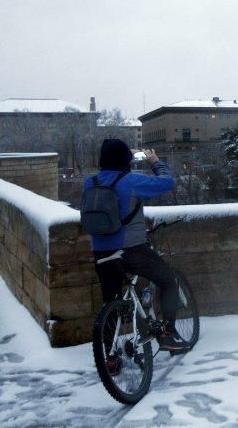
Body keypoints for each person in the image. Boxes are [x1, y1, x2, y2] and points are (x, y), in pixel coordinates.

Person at [85, 138, 188, 355]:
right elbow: (167, 182)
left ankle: (110, 358)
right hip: (131, 249)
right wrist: (155, 162)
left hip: (101, 252)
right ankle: (167, 334)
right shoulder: (131, 182)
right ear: (126, 160)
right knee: (169, 281)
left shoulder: (90, 183)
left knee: (110, 305)